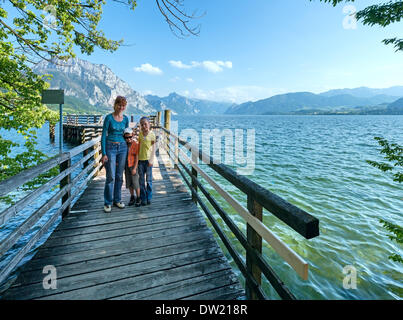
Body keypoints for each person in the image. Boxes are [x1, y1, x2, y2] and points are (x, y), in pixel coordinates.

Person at [101, 96, 129, 213]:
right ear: (115, 105)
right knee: (111, 175)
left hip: (123, 147)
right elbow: (103, 136)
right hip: (110, 147)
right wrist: (104, 153)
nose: (121, 107)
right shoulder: (108, 118)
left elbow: (127, 134)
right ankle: (108, 202)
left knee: (119, 175)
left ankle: (117, 200)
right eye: (119, 105)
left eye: (123, 105)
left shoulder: (125, 119)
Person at [137, 116, 156, 206]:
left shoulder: (152, 134)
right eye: (142, 125)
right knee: (141, 180)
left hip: (148, 161)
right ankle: (143, 198)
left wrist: (151, 159)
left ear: (149, 124)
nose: (144, 126)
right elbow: (139, 146)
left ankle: (149, 197)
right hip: (140, 160)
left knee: (148, 180)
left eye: (145, 124)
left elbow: (153, 148)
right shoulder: (140, 134)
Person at [123, 127, 141, 207]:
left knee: (135, 183)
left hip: (133, 166)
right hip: (126, 166)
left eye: (130, 137)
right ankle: (132, 196)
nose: (128, 139)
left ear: (133, 135)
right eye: (126, 138)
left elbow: (137, 157)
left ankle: (138, 197)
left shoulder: (135, 145)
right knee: (129, 182)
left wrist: (134, 168)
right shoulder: (124, 145)